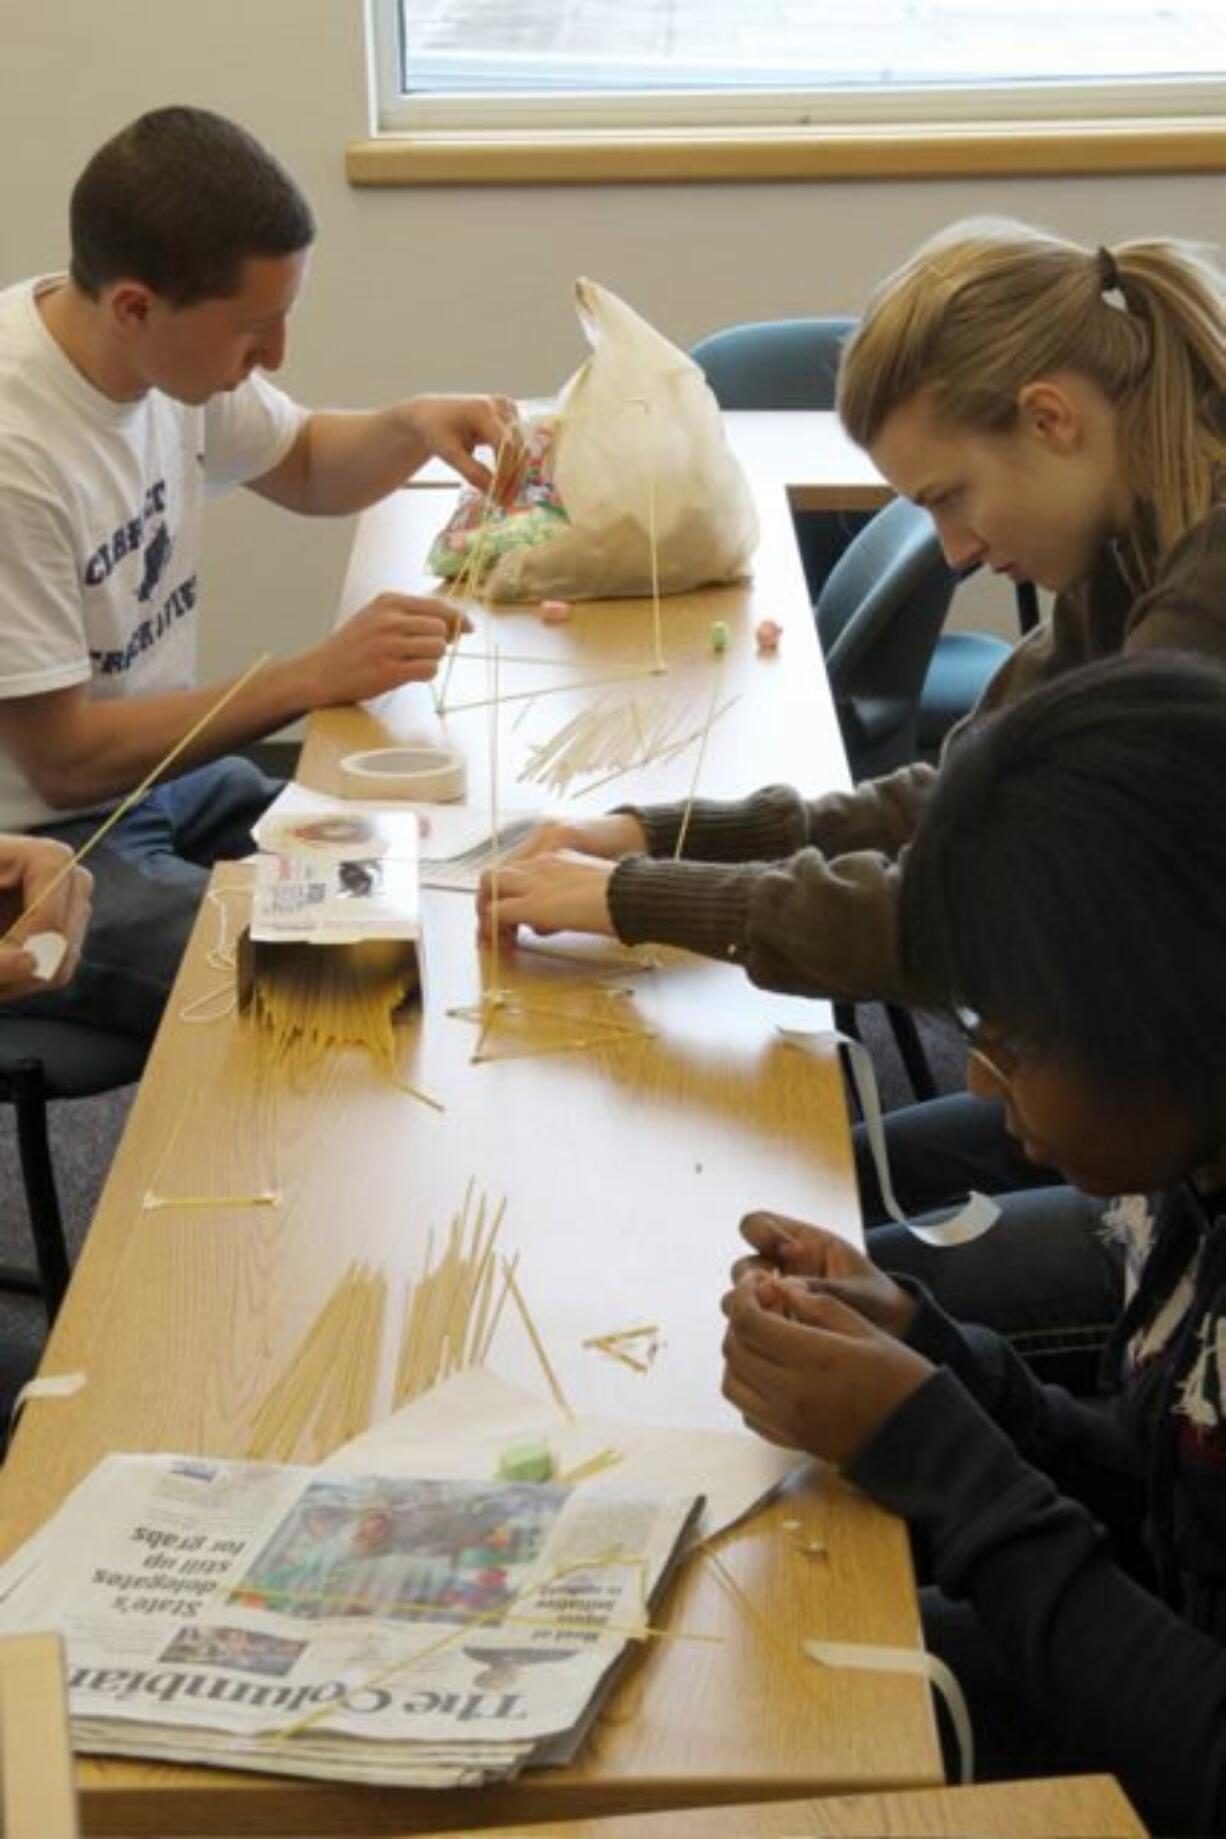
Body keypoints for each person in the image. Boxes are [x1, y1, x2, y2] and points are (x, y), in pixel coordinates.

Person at [478, 217, 1225, 1383]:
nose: (957, 549)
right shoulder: (1125, 537)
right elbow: (965, 804)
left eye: (950, 497)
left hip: (1183, 1134)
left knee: (848, 1312)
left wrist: (639, 896)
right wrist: (662, 835)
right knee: (836, 1172)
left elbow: (960, 911)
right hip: (1166, 1084)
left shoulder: (1200, 612)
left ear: (1048, 418)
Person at [722, 652, 1226, 1836]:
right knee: (770, 1655)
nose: (985, 1087)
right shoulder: (1188, 1170)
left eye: (1012, 1043)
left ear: (1169, 1005)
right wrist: (942, 1357)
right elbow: (1168, 1506)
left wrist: (941, 1458)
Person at [0, 105, 519, 1042]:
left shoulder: (155, 360)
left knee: (422, 856)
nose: (275, 357)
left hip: (155, 788)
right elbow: (63, 756)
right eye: (256, 328)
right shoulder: (15, 455)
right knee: (350, 982)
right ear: (133, 305)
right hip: (41, 848)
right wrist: (309, 677)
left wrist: (410, 425)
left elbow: (311, 462)